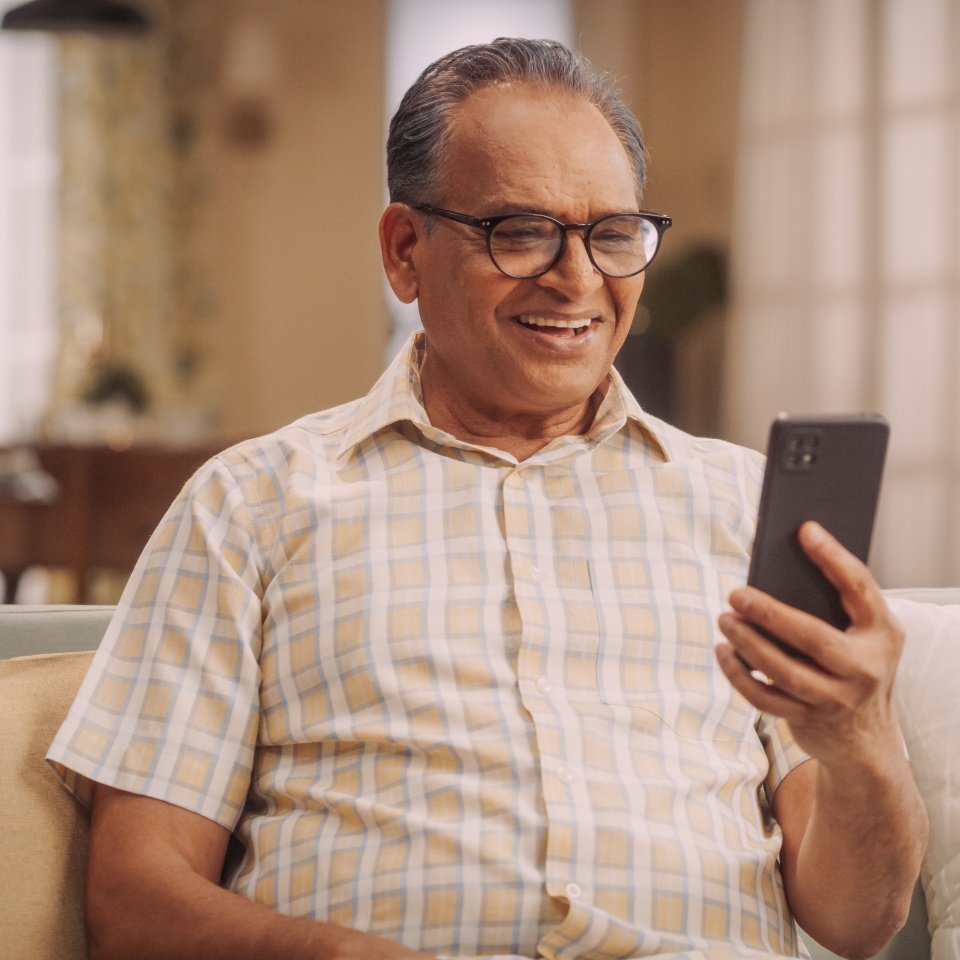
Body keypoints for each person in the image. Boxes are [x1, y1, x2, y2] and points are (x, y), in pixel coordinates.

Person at [48, 38, 926, 960]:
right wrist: (341, 955)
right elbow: (134, 899)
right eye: (521, 231)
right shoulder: (249, 505)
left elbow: (856, 920)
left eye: (613, 234)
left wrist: (861, 739)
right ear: (404, 252)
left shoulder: (746, 506)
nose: (578, 278)